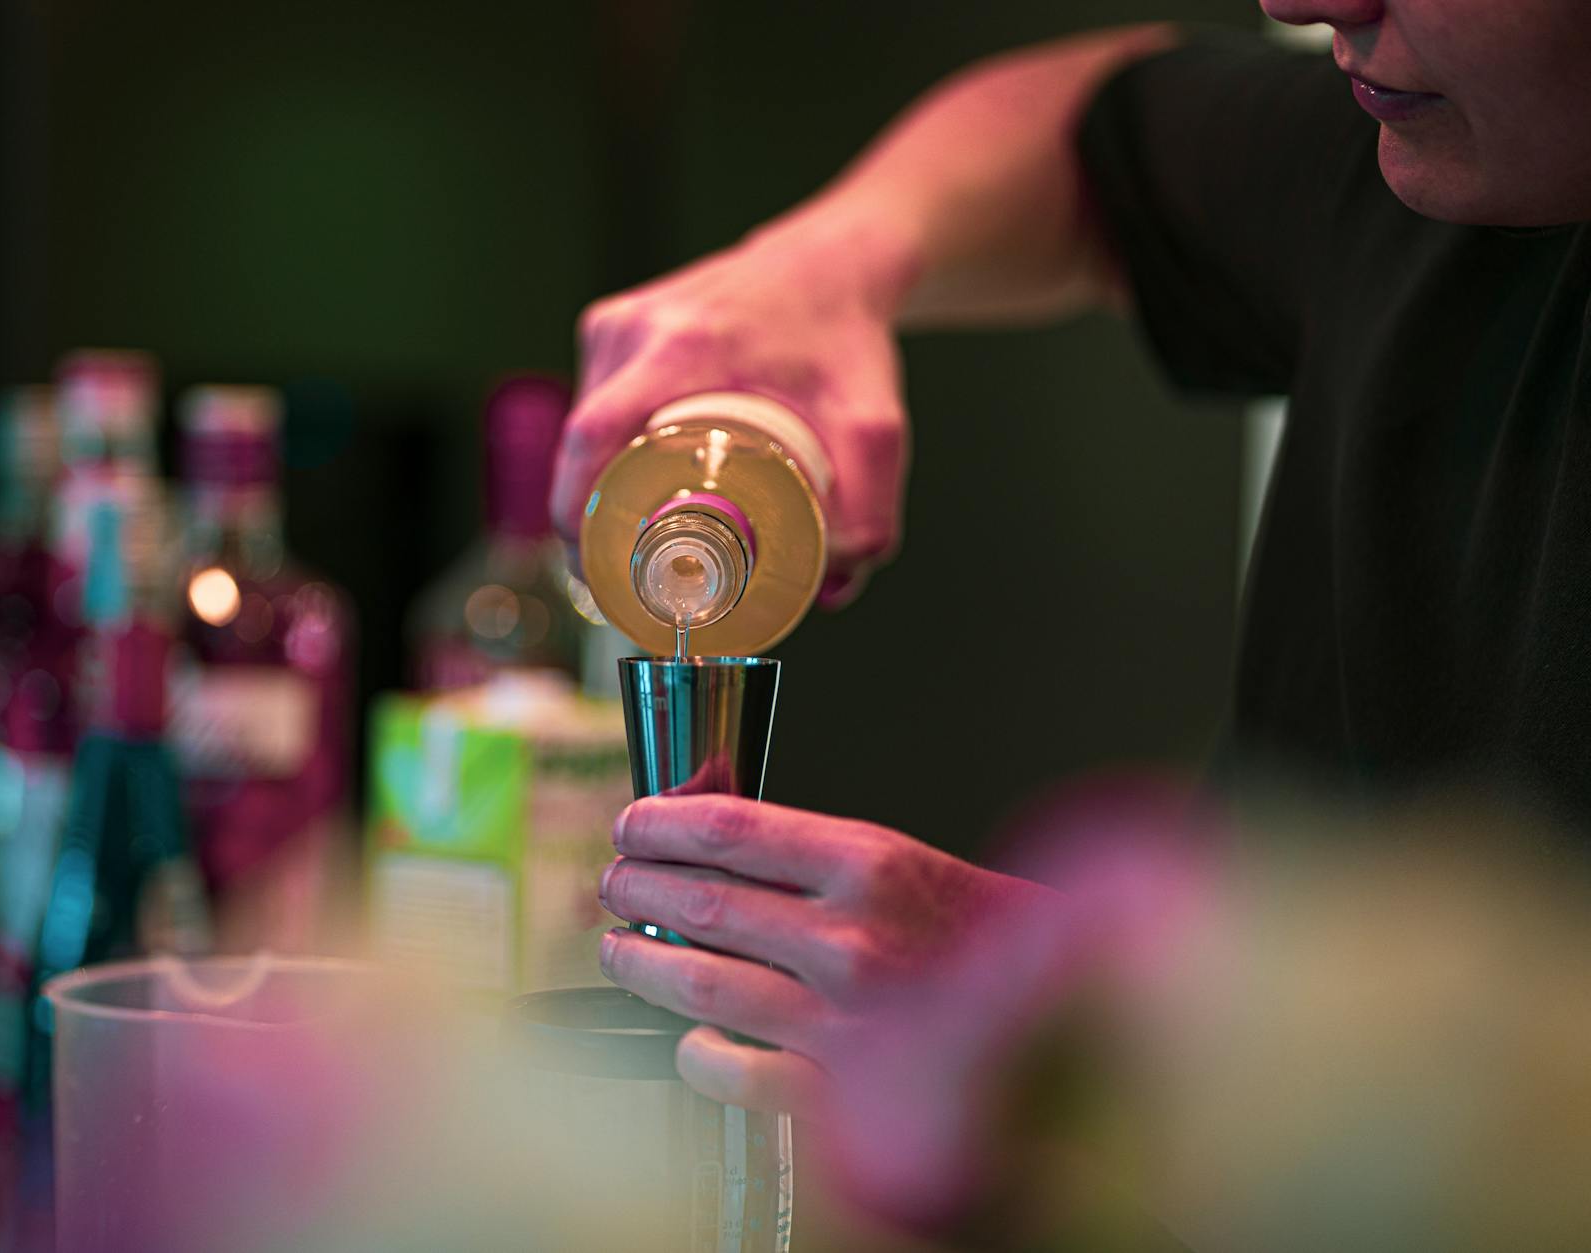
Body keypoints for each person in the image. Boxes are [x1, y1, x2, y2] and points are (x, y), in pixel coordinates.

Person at [548, 0, 1591, 1206]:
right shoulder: (1436, 152)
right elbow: (1083, 132)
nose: (1304, 3)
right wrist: (822, 266)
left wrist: (1120, 1029)